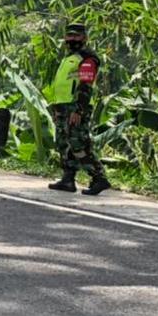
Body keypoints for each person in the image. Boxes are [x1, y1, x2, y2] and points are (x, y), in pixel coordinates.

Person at [46, 22, 111, 196]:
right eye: (69, 35)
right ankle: (68, 179)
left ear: (84, 38)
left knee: (78, 144)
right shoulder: (69, 57)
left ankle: (99, 177)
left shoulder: (87, 58)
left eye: (77, 36)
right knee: (63, 144)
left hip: (74, 107)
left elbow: (86, 85)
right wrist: (56, 108)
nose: (72, 39)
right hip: (61, 107)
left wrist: (79, 110)